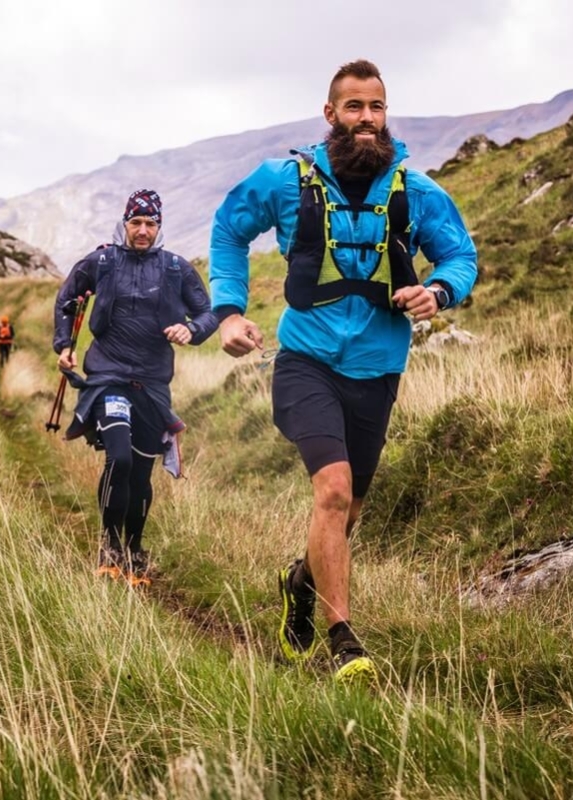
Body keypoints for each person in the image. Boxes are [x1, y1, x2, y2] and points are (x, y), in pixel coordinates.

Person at [209, 59, 478, 684]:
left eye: (376, 107)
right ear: (330, 114)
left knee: (349, 511)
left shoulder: (416, 191)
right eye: (354, 107)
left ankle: (300, 583)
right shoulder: (285, 180)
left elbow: (461, 256)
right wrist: (229, 312)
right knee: (331, 491)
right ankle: (344, 644)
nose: (366, 118)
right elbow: (228, 230)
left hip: (379, 368)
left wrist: (438, 290)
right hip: (306, 360)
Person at [53, 189, 218, 586]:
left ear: (159, 226)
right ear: (125, 223)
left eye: (150, 223)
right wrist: (64, 346)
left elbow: (208, 313)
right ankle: (110, 546)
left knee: (142, 471)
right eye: (136, 222)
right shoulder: (102, 261)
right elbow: (67, 299)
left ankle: (134, 549)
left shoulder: (176, 268)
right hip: (108, 377)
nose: (143, 230)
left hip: (153, 383)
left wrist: (191, 330)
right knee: (121, 459)